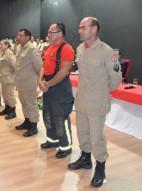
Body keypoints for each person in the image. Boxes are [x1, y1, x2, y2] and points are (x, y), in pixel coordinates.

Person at [68, 17, 122, 187]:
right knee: (82, 132)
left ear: (94, 29)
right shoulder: (80, 48)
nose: (79, 31)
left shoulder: (106, 52)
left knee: (97, 137)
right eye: (79, 28)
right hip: (82, 99)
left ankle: (100, 166)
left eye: (83, 27)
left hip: (97, 102)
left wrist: (103, 92)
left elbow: (115, 78)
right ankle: (85, 158)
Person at [38, 23, 75, 158]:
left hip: (60, 88)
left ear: (60, 33)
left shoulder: (67, 49)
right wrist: (40, 80)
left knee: (60, 117)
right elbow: (43, 66)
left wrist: (48, 85)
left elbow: (64, 71)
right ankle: (52, 140)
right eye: (48, 32)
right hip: (48, 85)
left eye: (51, 32)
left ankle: (65, 146)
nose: (48, 35)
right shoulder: (48, 48)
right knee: (47, 115)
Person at [15, 28, 42, 137]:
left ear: (27, 37)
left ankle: (33, 125)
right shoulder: (20, 48)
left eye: (21, 35)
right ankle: (27, 121)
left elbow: (39, 67)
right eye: (18, 35)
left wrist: (39, 80)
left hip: (29, 83)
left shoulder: (32, 49)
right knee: (24, 103)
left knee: (31, 104)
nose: (18, 37)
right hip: (21, 82)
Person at [0, 40, 17, 119]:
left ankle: (13, 111)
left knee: (10, 95)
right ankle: (7, 108)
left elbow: (15, 66)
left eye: (1, 44)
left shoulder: (9, 54)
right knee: (5, 95)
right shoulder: (3, 53)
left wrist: (11, 75)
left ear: (6, 45)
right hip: (3, 78)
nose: (0, 46)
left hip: (9, 79)